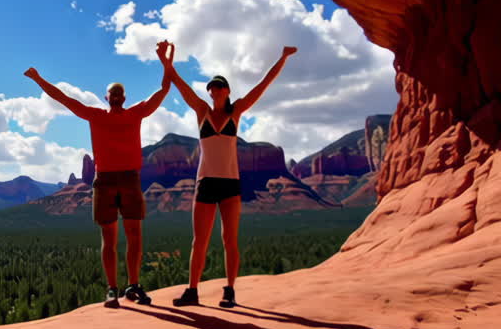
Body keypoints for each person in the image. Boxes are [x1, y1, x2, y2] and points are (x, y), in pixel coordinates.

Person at [25, 48, 171, 308]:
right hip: (104, 181)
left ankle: (133, 285)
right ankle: (112, 288)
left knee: (135, 235)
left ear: (123, 97)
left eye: (119, 93)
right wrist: (39, 80)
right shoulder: (96, 115)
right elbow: (64, 99)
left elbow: (162, 91)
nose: (115, 96)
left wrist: (165, 63)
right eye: (112, 93)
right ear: (107, 97)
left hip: (129, 179)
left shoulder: (135, 113)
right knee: (109, 238)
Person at [158, 42, 297, 307]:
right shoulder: (202, 111)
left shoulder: (238, 110)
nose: (215, 90)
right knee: (199, 241)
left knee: (229, 240)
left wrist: (283, 58)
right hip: (206, 182)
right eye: (212, 87)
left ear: (228, 91)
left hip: (231, 184)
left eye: (219, 86)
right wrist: (165, 60)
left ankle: (230, 291)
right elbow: (178, 82)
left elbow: (264, 84)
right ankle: (192, 291)